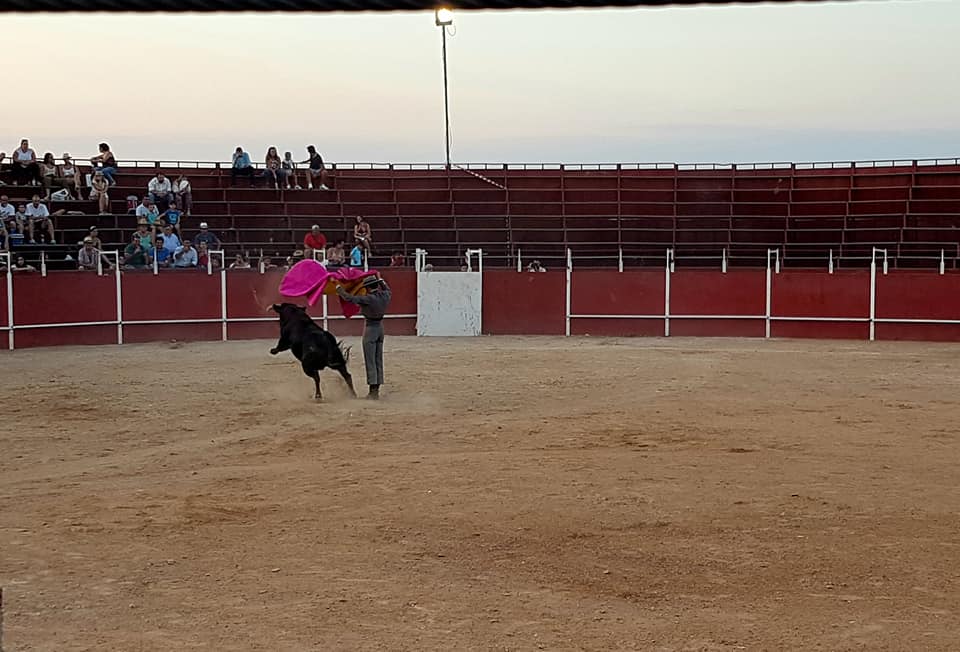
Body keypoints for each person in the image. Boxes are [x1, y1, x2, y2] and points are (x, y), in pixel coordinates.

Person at [336, 274, 392, 400]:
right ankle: (376, 390)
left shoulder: (368, 299)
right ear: (377, 285)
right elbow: (388, 289)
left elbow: (348, 298)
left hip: (370, 329)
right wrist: (381, 280)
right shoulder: (385, 295)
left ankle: (373, 392)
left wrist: (339, 289)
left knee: (370, 360)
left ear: (367, 288)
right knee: (378, 359)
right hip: (380, 329)